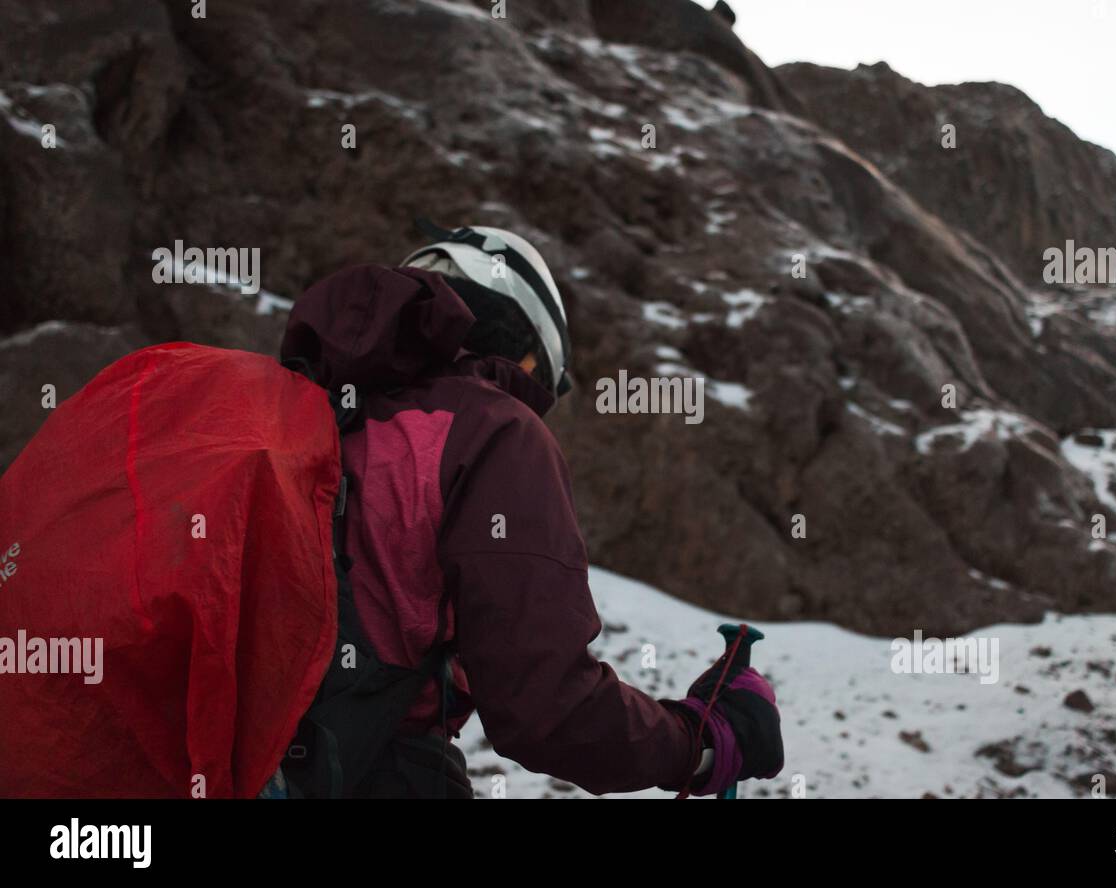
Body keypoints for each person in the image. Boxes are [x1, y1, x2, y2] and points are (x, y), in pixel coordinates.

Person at [278, 225, 783, 797]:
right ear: (524, 352)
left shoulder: (291, 413)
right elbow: (548, 709)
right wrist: (703, 740)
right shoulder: (492, 429)